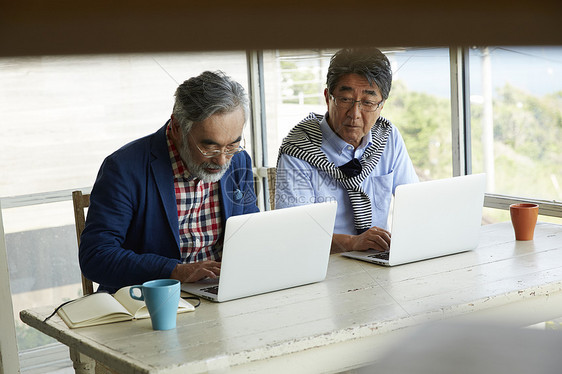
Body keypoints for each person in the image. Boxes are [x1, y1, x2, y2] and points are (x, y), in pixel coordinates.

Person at [79, 71, 259, 293]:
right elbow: (96, 257)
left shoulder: (239, 161)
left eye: (232, 145)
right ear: (177, 128)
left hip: (221, 292)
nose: (222, 160)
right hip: (146, 302)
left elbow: (251, 234)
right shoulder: (124, 168)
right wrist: (174, 271)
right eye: (209, 147)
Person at [275, 48, 418, 254]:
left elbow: (414, 203)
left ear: (381, 105)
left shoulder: (387, 137)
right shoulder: (298, 150)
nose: (355, 114)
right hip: (321, 263)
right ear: (327, 97)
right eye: (345, 99)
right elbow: (293, 232)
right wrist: (353, 243)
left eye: (368, 103)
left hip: (376, 260)